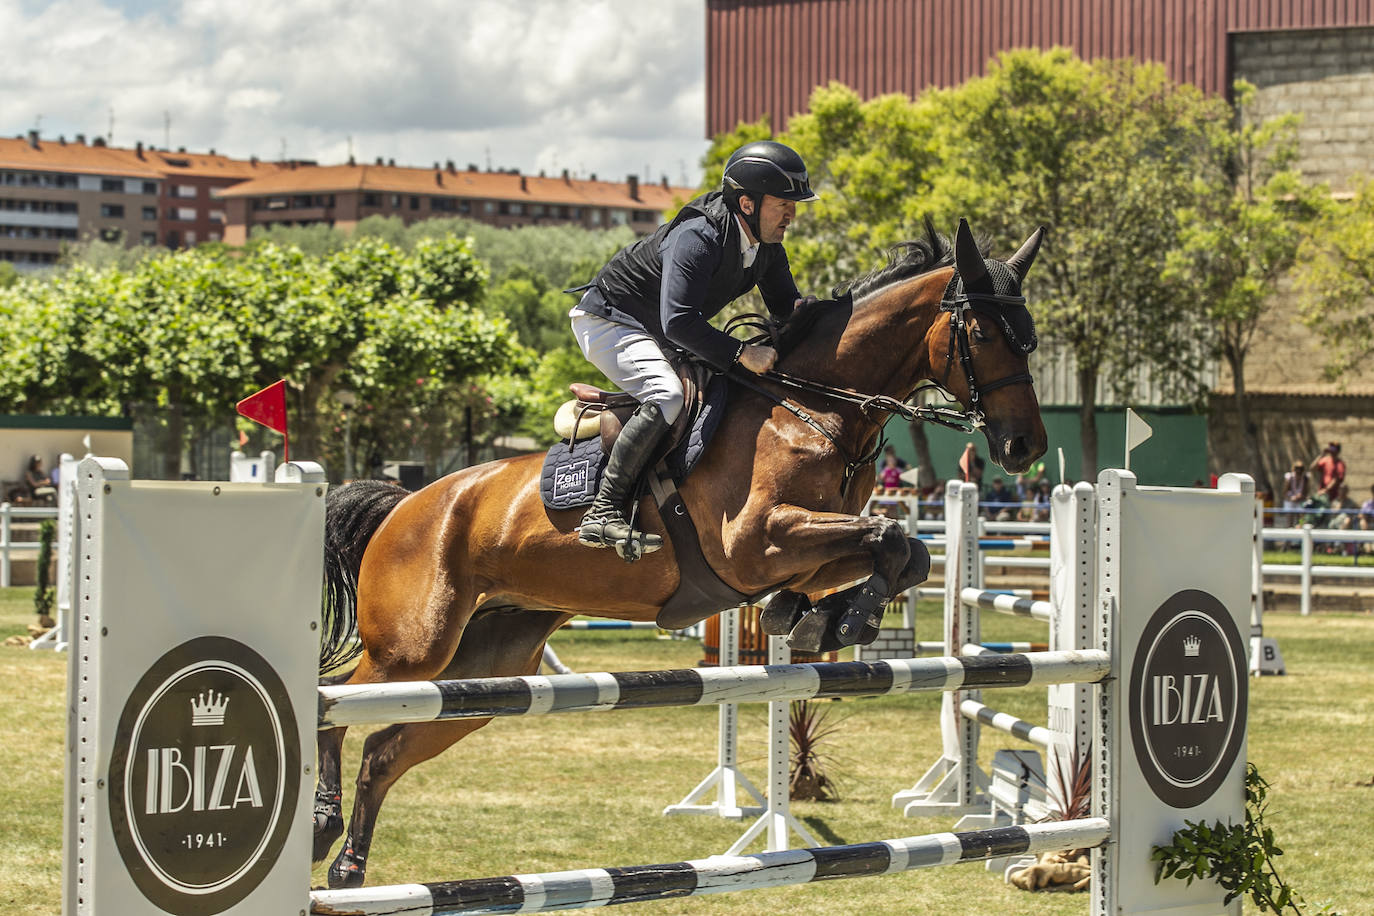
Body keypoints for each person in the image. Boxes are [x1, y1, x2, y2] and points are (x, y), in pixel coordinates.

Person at [568, 140, 819, 555]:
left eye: (795, 204)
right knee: (665, 394)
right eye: (783, 203)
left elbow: (786, 311)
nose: (792, 214)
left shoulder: (767, 248)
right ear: (748, 204)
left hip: (659, 330)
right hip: (610, 321)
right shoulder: (697, 238)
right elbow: (680, 321)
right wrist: (741, 353)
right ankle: (603, 510)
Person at [1281, 460, 1309, 527]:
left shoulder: (1305, 478)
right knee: (1290, 514)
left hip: (1300, 500)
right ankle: (1289, 528)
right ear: (1294, 469)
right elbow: (1284, 492)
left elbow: (1306, 493)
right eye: (1297, 468)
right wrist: (1291, 498)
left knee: (1302, 515)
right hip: (1290, 500)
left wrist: (1301, 496)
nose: (1299, 470)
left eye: (1301, 469)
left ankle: (1301, 527)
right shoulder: (1289, 477)